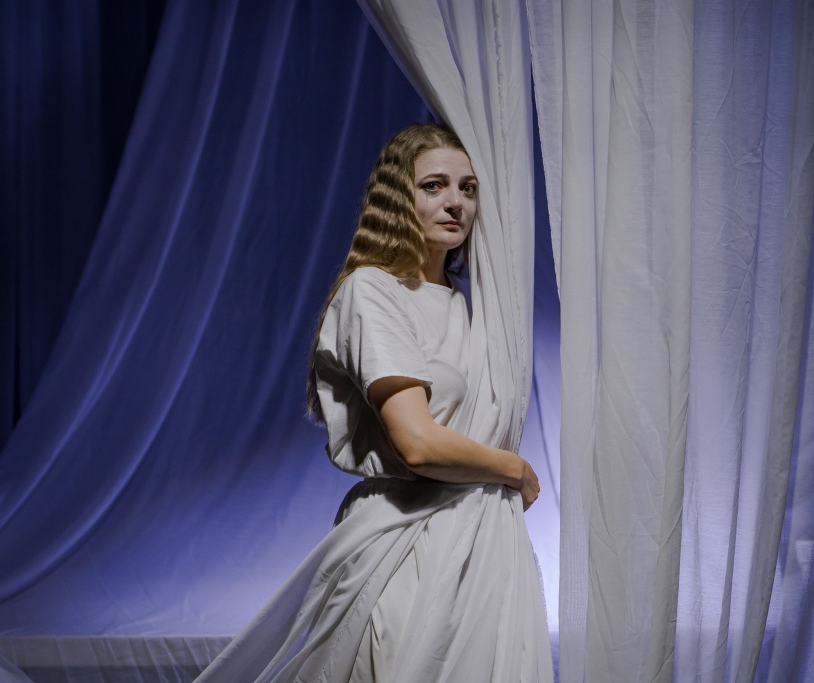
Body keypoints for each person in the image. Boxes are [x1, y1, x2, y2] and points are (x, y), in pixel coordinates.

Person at [195, 123, 552, 682]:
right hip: (404, 546)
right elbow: (419, 444)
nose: (455, 202)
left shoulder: (473, 308)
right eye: (434, 185)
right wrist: (517, 471)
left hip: (480, 540)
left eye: (468, 188)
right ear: (396, 197)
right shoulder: (373, 291)